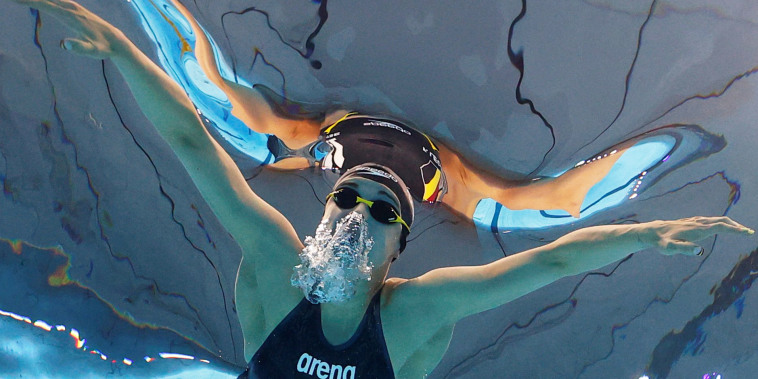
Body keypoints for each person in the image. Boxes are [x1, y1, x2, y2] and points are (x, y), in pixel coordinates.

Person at [8, 1, 753, 378]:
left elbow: (547, 266)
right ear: (325, 212)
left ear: (401, 247)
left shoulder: (393, 307)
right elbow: (187, 148)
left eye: (379, 209)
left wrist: (649, 234)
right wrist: (123, 49)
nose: (361, 213)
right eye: (352, 201)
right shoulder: (299, 270)